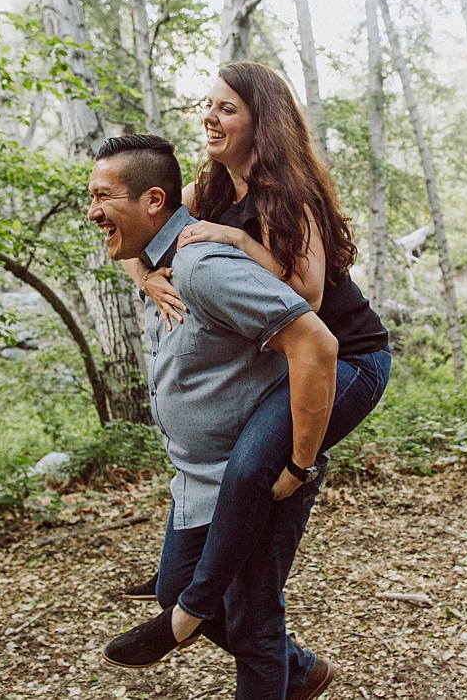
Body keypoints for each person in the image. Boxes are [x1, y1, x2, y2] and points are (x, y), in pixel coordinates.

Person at [117, 60, 390, 684]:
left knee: (248, 471)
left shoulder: (285, 193)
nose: (210, 118)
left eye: (226, 109)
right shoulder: (209, 188)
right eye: (208, 106)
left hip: (348, 359)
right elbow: (139, 234)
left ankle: (191, 610)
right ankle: (279, 661)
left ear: (259, 121)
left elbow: (311, 299)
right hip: (293, 364)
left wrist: (237, 242)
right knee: (237, 490)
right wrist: (150, 281)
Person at [90, 133, 338, 700]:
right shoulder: (165, 260)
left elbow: (316, 345)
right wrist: (145, 276)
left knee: (252, 626)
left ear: (153, 202)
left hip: (248, 476)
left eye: (104, 196)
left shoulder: (203, 266)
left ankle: (282, 671)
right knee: (176, 588)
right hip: (195, 478)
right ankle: (299, 671)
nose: (92, 209)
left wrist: (297, 464)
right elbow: (135, 250)